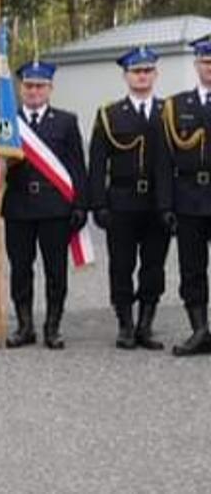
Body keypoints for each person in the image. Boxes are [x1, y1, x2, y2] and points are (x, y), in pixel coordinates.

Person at [89, 46, 172, 351]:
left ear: (155, 74)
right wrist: (97, 203)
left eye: (147, 70)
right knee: (121, 266)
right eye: (136, 71)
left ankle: (145, 324)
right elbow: (97, 163)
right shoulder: (109, 115)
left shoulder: (170, 111)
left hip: (157, 203)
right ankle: (124, 323)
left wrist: (170, 204)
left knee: (153, 266)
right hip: (121, 202)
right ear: (125, 76)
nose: (142, 76)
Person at [2, 60, 88, 350]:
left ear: (50, 89)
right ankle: (24, 326)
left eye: (40, 86)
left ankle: (53, 326)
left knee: (55, 270)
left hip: (55, 207)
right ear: (20, 88)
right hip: (18, 206)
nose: (34, 91)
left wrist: (80, 205)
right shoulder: (7, 122)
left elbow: (77, 166)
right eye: (28, 86)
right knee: (20, 269)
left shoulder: (66, 121)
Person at [169, 37, 211, 356]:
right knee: (192, 267)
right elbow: (163, 161)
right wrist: (165, 204)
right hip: (188, 198)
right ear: (196, 65)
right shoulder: (177, 106)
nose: (209, 68)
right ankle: (199, 330)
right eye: (205, 62)